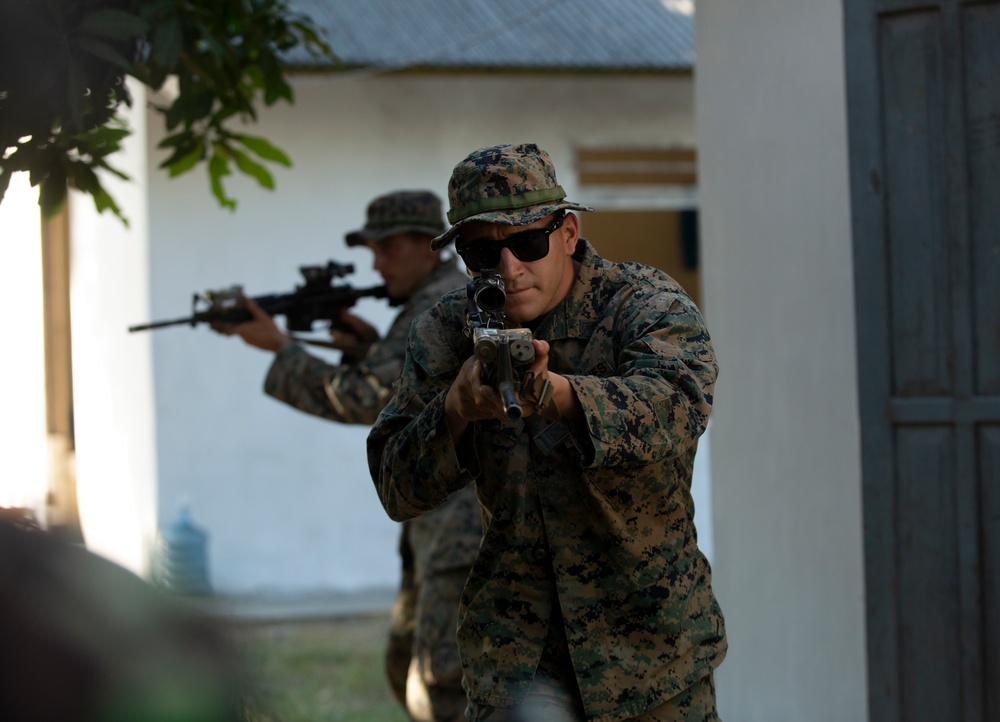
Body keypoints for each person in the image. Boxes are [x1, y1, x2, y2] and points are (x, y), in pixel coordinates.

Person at [368, 145, 727, 722]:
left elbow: (678, 407)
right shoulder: (446, 330)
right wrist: (456, 410)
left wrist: (559, 394)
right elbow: (396, 485)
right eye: (483, 252)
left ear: (567, 233)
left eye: (528, 243)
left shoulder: (644, 304)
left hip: (649, 658)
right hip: (516, 663)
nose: (509, 270)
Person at [226, 191, 482, 722]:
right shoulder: (432, 301)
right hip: (439, 521)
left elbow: (368, 396)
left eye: (389, 248)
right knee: (408, 666)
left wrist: (281, 350)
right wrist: (363, 347)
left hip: (462, 525)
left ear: (429, 247)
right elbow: (415, 387)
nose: (377, 263)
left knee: (444, 685)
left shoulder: (440, 304)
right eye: (373, 250)